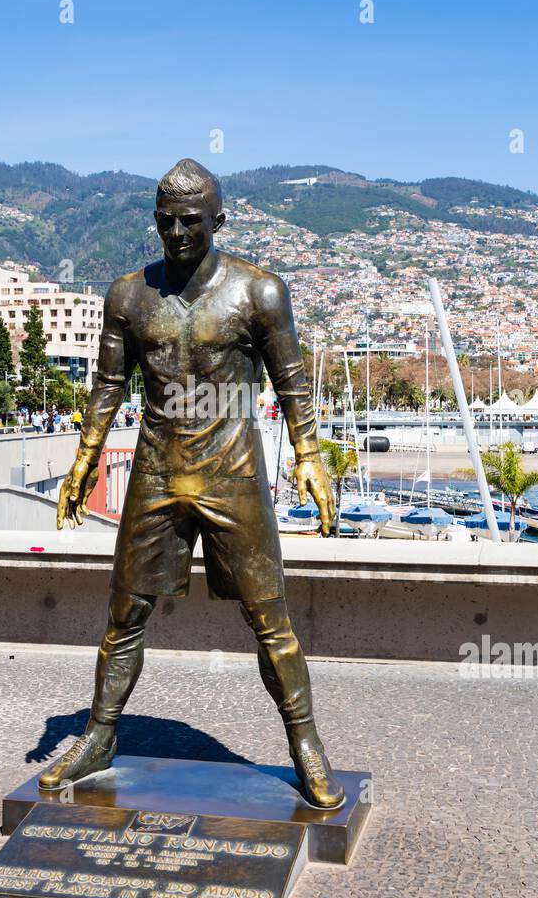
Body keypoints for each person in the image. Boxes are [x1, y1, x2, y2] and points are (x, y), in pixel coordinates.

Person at [46, 158, 343, 810]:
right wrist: (83, 459)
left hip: (232, 474)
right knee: (123, 617)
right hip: (155, 471)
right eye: (165, 221)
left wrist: (311, 458)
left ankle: (306, 746)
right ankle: (99, 737)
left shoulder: (259, 293)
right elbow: (107, 385)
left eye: (189, 221)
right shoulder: (129, 296)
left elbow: (293, 383)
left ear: (218, 220)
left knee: (271, 622)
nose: (176, 233)